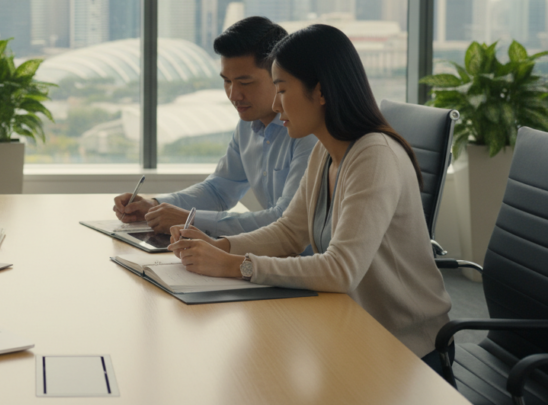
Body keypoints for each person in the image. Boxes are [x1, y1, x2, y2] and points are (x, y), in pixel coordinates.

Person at [167, 24, 453, 372]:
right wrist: (221, 247)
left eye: (282, 90)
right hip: (349, 329)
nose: (274, 104)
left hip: (404, 350)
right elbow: (288, 232)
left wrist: (232, 266)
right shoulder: (326, 151)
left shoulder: (374, 156)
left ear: (320, 92)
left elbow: (340, 270)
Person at [114, 16, 318, 237]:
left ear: (279, 76)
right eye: (227, 81)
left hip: (305, 264)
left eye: (245, 83)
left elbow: (284, 220)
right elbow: (219, 189)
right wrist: (154, 205)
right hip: (270, 257)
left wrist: (189, 220)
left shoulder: (308, 133)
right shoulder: (247, 126)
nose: (233, 95)